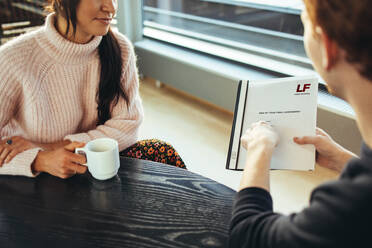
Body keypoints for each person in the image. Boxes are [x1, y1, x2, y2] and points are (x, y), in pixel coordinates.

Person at [229, 0, 372, 247]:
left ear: (328, 47)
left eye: (304, 22)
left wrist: (259, 151)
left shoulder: (351, 207)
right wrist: (344, 160)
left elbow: (249, 235)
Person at [0, 0, 185, 179]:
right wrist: (39, 161)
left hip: (91, 167)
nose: (111, 7)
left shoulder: (120, 49)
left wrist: (46, 146)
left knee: (164, 153)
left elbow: (126, 126)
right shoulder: (13, 60)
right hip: (31, 178)